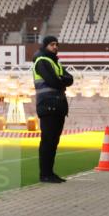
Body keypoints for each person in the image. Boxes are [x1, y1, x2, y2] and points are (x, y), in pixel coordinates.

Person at [31, 36, 73, 183]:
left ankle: (50, 173)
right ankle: (45, 174)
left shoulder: (55, 63)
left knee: (54, 142)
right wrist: (62, 81)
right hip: (47, 105)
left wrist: (61, 80)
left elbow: (70, 79)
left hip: (58, 106)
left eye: (56, 44)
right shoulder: (42, 61)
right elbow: (53, 81)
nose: (55, 47)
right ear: (45, 46)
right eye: (52, 44)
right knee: (48, 141)